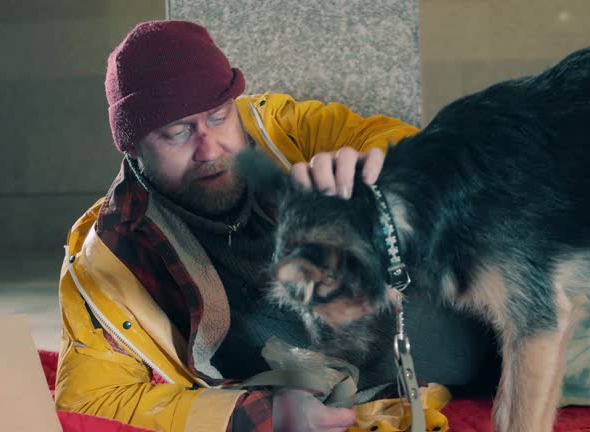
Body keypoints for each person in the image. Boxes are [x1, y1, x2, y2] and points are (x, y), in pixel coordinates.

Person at [55, 19, 496, 432]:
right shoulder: (111, 252)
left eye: (218, 117)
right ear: (133, 148)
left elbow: (414, 152)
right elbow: (89, 401)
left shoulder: (284, 131)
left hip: (500, 326)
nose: (211, 148)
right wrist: (259, 416)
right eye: (177, 132)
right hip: (369, 396)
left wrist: (376, 177)